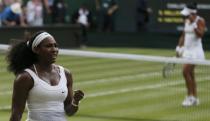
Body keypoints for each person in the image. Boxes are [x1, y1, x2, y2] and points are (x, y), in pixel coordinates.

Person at [7, 31, 84, 120]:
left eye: (55, 46)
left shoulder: (66, 74)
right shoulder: (25, 77)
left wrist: (75, 101)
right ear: (36, 49)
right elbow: (16, 115)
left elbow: (69, 111)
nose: (54, 49)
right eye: (49, 46)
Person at [176, 2, 206, 107]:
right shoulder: (186, 21)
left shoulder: (200, 21)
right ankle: (195, 98)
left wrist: (194, 23)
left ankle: (190, 97)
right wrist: (178, 47)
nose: (185, 16)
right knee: (191, 74)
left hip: (196, 53)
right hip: (187, 52)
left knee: (185, 72)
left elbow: (200, 35)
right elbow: (183, 35)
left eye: (187, 14)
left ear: (192, 13)